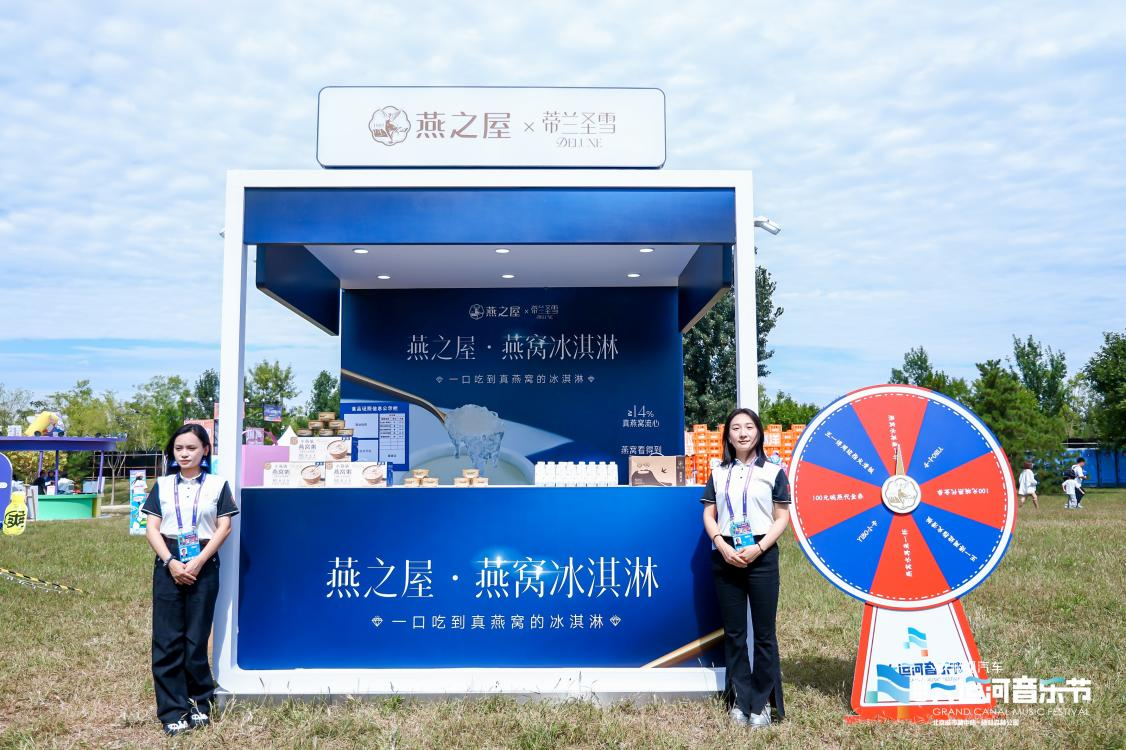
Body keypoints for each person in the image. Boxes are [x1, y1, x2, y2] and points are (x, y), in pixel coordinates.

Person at [142, 423, 238, 736]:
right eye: (179, 448)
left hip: (204, 561)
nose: (184, 454)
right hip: (168, 560)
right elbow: (152, 528)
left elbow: (224, 527)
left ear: (205, 450)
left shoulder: (218, 485)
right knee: (167, 639)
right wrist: (171, 562)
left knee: (196, 639)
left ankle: (199, 703)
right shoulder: (162, 485)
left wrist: (199, 560)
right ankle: (172, 710)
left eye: (192, 448)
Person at [701, 408, 791, 728]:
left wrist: (759, 547)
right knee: (735, 634)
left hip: (761, 554)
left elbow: (782, 518)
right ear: (727, 435)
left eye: (749, 427)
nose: (742, 433)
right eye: (736, 428)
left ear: (759, 432)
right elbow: (709, 514)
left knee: (764, 634)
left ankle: (761, 703)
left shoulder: (774, 472)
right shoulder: (718, 473)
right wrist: (721, 545)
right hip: (726, 554)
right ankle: (741, 700)